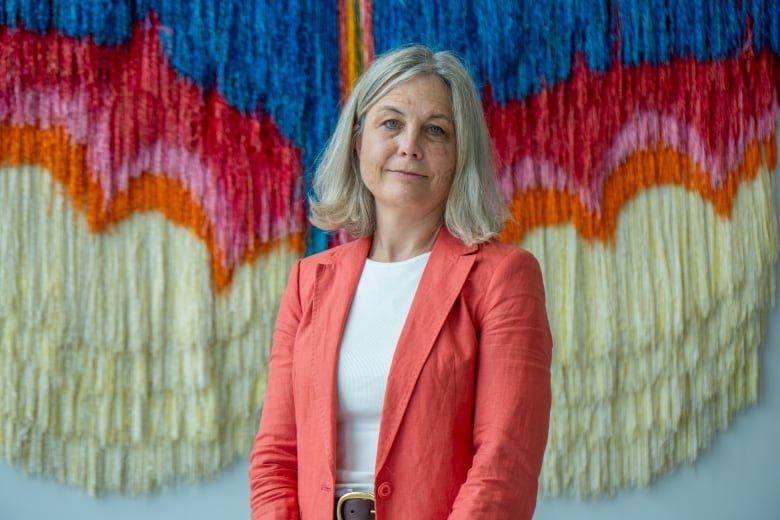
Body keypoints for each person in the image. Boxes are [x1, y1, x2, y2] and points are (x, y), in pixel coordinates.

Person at [249, 44, 553, 520]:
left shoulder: (503, 278)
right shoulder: (309, 282)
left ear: (459, 155)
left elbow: (505, 461)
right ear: (357, 142)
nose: (409, 144)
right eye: (390, 123)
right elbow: (275, 458)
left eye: (436, 130)